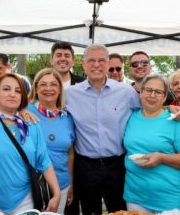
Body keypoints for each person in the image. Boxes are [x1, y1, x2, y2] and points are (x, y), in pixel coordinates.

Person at [0, 73, 61, 214]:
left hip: (26, 201)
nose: (12, 94)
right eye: (6, 89)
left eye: (18, 91)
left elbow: (44, 162)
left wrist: (56, 194)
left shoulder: (32, 125)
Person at [66, 44, 142, 215]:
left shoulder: (126, 91)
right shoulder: (70, 94)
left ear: (108, 64)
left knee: (120, 211)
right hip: (85, 166)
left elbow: (147, 112)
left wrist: (171, 109)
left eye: (101, 60)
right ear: (83, 64)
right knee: (89, 211)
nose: (96, 65)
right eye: (91, 60)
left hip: (117, 165)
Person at [123, 74, 180, 213]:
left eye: (158, 92)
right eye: (148, 90)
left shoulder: (175, 121)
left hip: (170, 198)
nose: (152, 95)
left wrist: (161, 157)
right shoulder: (130, 116)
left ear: (165, 96)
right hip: (135, 197)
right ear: (141, 92)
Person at [27, 68, 75, 214]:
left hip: (62, 185)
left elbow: (70, 153)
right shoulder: (24, 111)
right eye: (43, 84)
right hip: (31, 187)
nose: (48, 88)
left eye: (54, 84)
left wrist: (71, 183)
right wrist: (20, 110)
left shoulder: (67, 117)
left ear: (60, 89)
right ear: (36, 88)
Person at [50, 41, 84, 215]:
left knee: (72, 203)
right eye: (59, 55)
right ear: (52, 60)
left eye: (67, 55)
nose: (63, 59)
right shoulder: (44, 83)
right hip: (53, 154)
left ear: (73, 60)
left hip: (81, 152)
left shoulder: (84, 84)